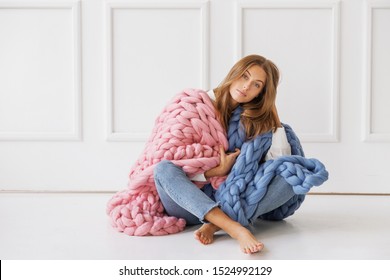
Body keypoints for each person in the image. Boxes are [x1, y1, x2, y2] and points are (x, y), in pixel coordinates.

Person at [153, 54, 295, 254]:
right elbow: (165, 161)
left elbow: (279, 165)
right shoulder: (192, 105)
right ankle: (235, 228)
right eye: (244, 76)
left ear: (262, 93)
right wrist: (216, 170)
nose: (246, 87)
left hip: (232, 198)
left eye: (257, 85)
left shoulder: (254, 120)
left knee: (293, 175)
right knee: (163, 169)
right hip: (187, 203)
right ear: (234, 73)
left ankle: (216, 223)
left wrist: (273, 116)